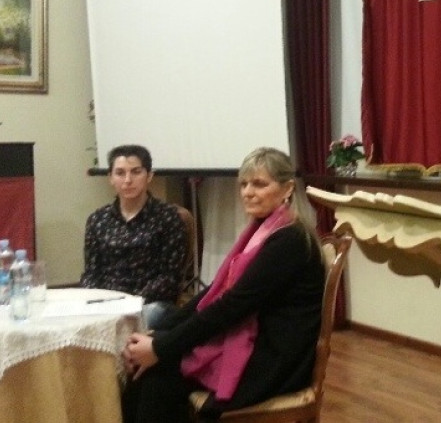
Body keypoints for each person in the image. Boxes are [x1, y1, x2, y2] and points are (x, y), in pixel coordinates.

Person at [121, 147, 324, 422]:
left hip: (272, 359)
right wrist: (160, 333)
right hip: (253, 339)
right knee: (148, 367)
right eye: (244, 184)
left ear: (287, 188)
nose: (248, 192)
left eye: (259, 184)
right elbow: (216, 290)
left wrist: (161, 347)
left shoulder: (289, 240)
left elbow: (231, 306)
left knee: (158, 375)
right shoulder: (265, 229)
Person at [81, 144, 187, 327]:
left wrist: (132, 302)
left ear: (149, 176)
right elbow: (91, 273)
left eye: (136, 172)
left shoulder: (168, 217)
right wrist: (102, 301)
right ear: (110, 178)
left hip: (148, 303)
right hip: (106, 303)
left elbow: (169, 277)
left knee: (151, 315)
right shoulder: (98, 220)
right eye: (120, 173)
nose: (128, 180)